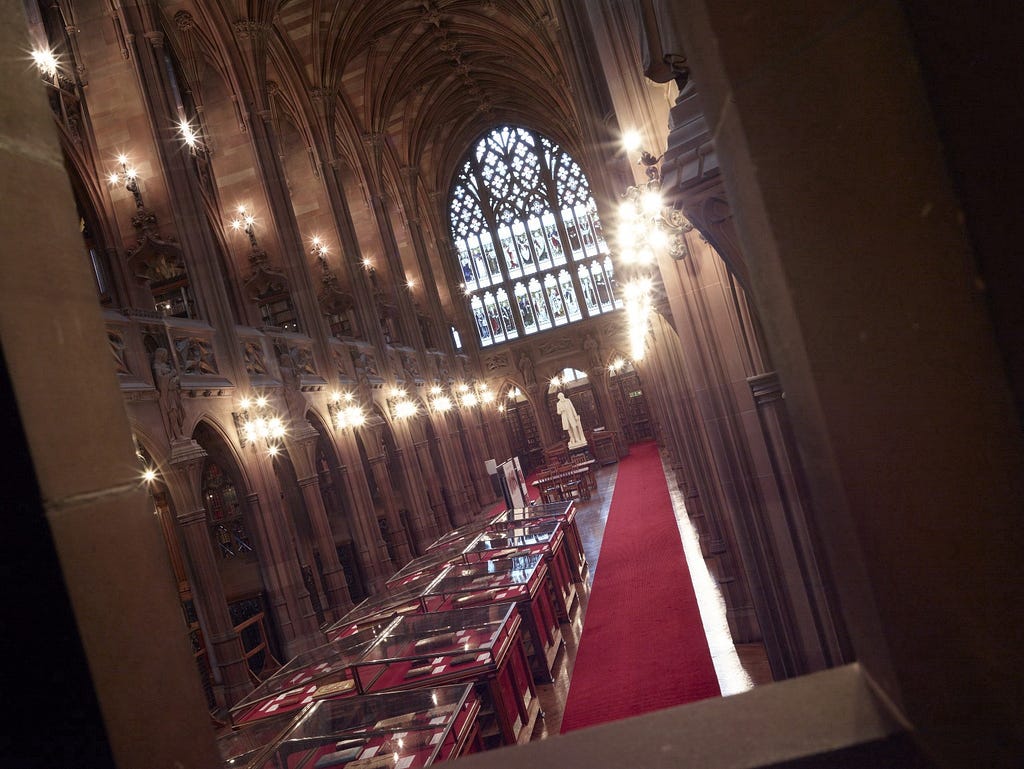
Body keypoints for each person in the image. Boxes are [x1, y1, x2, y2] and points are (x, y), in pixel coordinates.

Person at [152, 347, 185, 440]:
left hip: (174, 393)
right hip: (167, 395)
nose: (167, 357)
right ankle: (176, 435)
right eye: (165, 355)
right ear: (161, 355)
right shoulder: (156, 366)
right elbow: (161, 380)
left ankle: (178, 434)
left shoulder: (167, 365)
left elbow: (176, 376)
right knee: (173, 414)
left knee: (180, 414)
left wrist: (175, 378)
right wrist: (172, 374)